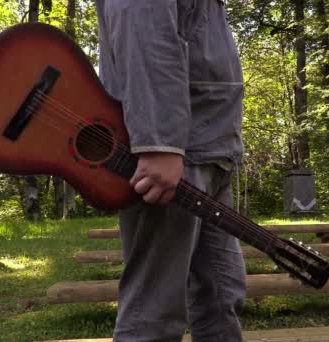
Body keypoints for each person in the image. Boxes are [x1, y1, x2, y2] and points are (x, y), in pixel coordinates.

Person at [94, 0, 247, 341]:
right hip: (178, 151)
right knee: (154, 313)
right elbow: (143, 27)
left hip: (209, 146)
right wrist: (158, 143)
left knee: (222, 294)